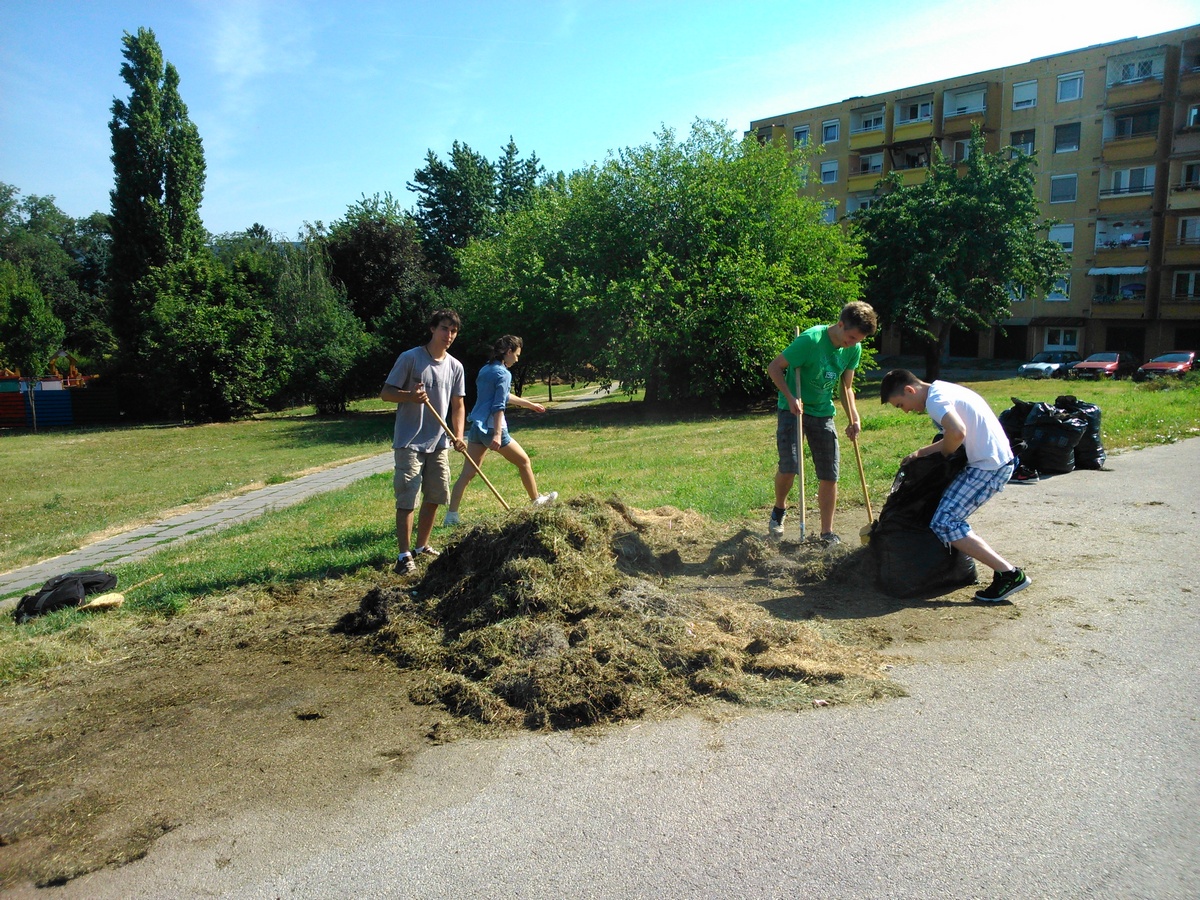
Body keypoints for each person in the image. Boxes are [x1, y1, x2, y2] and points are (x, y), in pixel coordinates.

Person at [879, 368, 1031, 603]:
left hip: (988, 467)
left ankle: (1009, 574)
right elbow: (956, 434)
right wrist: (922, 454)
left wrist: (941, 461)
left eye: (900, 405)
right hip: (989, 460)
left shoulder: (936, 401)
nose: (906, 411)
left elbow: (957, 433)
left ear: (910, 390)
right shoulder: (944, 389)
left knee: (945, 522)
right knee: (944, 517)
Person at [766, 301, 877, 546]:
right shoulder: (810, 341)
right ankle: (779, 510)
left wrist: (854, 417)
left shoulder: (853, 349)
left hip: (823, 412)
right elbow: (774, 367)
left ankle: (826, 533)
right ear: (840, 325)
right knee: (790, 466)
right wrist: (790, 396)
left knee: (830, 473)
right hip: (793, 410)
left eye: (858, 340)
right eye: (851, 337)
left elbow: (846, 386)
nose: (853, 343)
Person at [380, 309, 467, 575]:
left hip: (439, 441)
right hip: (410, 441)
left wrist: (459, 434)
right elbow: (386, 394)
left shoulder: (455, 366)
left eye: (453, 331)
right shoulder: (410, 358)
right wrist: (410, 396)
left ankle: (422, 546)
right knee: (408, 497)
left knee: (436, 494)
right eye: (444, 329)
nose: (449, 335)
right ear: (432, 329)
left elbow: (458, 405)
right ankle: (404, 555)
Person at [445, 335, 556, 525]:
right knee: (524, 462)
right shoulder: (504, 374)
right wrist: (497, 434)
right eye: (517, 355)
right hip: (491, 429)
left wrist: (530, 405)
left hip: (477, 428)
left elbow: (502, 396)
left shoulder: (486, 370)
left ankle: (451, 516)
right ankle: (536, 500)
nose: (517, 359)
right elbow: (498, 406)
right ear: (508, 352)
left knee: (467, 473)